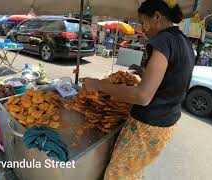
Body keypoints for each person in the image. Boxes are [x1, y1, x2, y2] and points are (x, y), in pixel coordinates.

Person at [84, 0, 195, 179]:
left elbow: (143, 96)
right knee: (133, 171)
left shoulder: (164, 40)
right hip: (166, 123)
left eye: (143, 22)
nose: (142, 29)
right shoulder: (182, 40)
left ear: (157, 16)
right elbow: (171, 81)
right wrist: (144, 73)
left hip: (150, 125)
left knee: (116, 174)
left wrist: (97, 84)